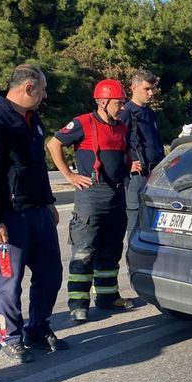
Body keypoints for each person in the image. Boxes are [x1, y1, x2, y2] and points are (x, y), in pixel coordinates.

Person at [0, 64, 68, 364]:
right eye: (43, 89)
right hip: (10, 218)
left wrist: (49, 201)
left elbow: (36, 166)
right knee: (9, 280)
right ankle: (10, 336)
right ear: (28, 88)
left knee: (50, 273)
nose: (45, 95)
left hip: (38, 212)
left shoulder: (32, 120)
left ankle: (37, 328)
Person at [47, 79, 137, 322]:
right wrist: (69, 175)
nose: (122, 107)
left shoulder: (120, 126)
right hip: (91, 196)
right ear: (103, 101)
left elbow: (121, 156)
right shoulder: (83, 123)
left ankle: (108, 297)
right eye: (119, 102)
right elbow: (53, 144)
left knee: (111, 250)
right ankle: (78, 304)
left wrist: (131, 165)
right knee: (84, 253)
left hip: (117, 195)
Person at [121, 69, 164, 236]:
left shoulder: (150, 113)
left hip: (154, 174)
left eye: (152, 89)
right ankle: (133, 258)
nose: (151, 93)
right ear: (133, 87)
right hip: (137, 176)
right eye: (147, 89)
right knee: (135, 219)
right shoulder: (126, 112)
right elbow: (117, 142)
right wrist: (128, 162)